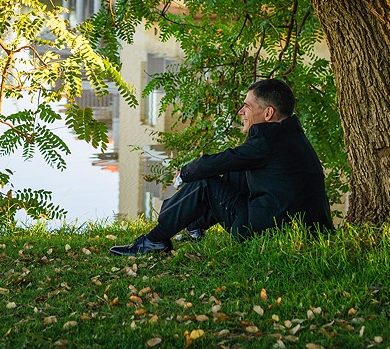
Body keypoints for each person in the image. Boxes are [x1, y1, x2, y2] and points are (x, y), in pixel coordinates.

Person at [111, 78, 333, 257]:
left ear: (268, 114)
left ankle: (154, 240)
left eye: (247, 106)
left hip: (264, 230)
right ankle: (194, 226)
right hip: (303, 227)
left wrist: (185, 174)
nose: (241, 112)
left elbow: (223, 159)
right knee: (234, 173)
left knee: (206, 183)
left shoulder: (267, 141)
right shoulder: (290, 135)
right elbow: (234, 162)